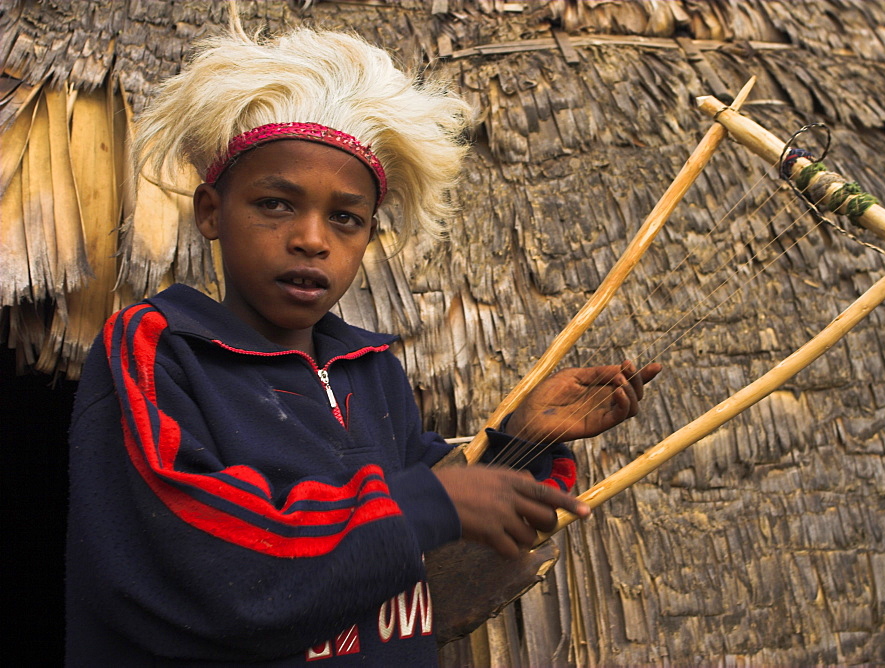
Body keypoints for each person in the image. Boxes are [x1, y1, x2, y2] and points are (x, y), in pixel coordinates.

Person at [64, 20, 661, 667]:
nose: (312, 239)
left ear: (368, 236)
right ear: (211, 210)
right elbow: (209, 563)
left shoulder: (371, 371)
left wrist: (523, 440)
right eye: (276, 204)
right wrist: (427, 505)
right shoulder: (161, 350)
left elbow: (431, 533)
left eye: (344, 218)